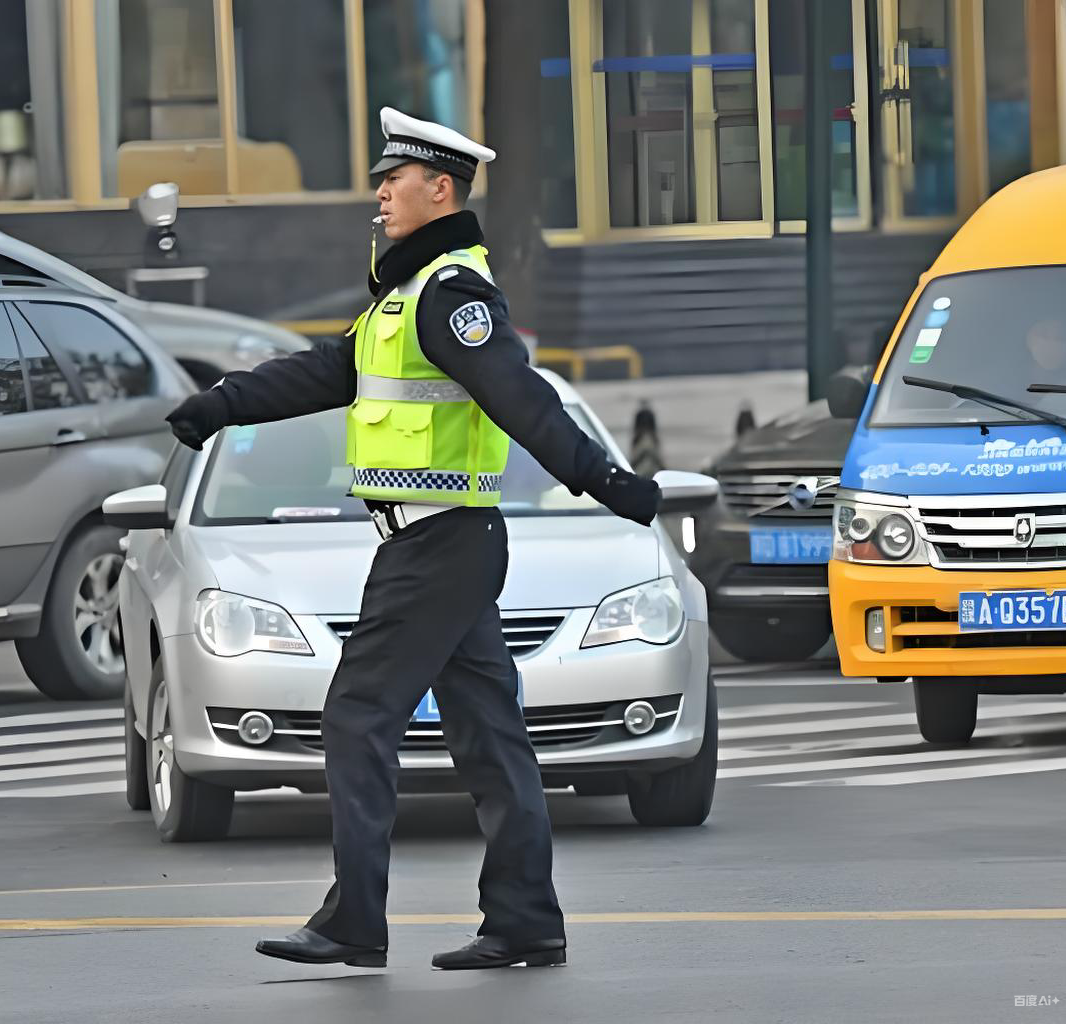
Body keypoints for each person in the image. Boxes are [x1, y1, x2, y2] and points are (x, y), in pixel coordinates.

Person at [164, 108, 661, 971]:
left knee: (357, 717)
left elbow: (522, 398)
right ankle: (525, 920)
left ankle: (355, 919)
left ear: (440, 189)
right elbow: (326, 371)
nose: (381, 197)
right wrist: (222, 404)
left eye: (393, 182)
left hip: (436, 547)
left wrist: (607, 481)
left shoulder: (451, 295)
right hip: (442, 546)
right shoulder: (404, 297)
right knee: (490, 735)